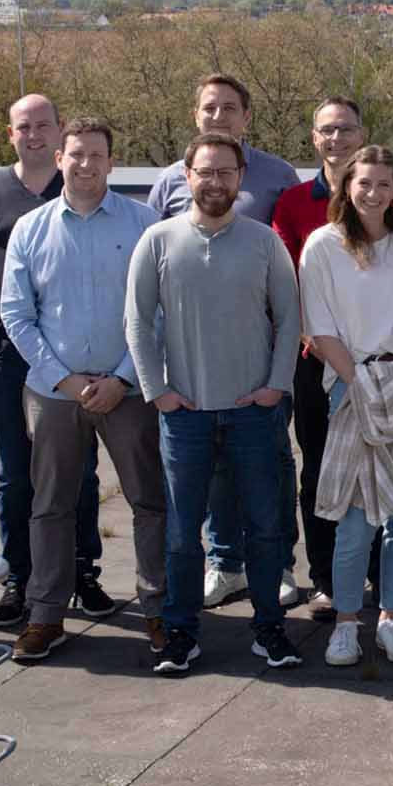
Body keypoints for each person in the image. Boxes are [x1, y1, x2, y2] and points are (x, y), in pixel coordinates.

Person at [126, 133, 302, 675]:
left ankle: (269, 625)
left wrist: (276, 386)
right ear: (187, 174)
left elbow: (289, 317)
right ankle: (181, 633)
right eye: (206, 171)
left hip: (254, 409)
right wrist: (157, 391)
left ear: (241, 176)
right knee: (183, 534)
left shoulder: (263, 241)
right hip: (186, 415)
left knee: (267, 525)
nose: (216, 181)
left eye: (227, 171)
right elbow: (136, 320)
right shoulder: (157, 239)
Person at [1, 119, 168, 662]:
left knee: (149, 501)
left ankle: (159, 609)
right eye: (76, 154)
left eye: (97, 155)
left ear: (112, 162)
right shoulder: (31, 228)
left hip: (128, 390)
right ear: (59, 157)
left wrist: (122, 378)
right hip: (55, 392)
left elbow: (158, 310)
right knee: (50, 505)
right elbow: (16, 314)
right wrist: (66, 381)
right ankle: (46, 614)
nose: (86, 164)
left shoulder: (146, 224)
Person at [0, 94, 109, 631]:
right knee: (17, 473)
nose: (35, 134)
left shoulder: (87, 191)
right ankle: (20, 576)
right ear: (10, 133)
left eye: (45, 125)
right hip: (10, 358)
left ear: (62, 135)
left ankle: (83, 571)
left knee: (80, 471)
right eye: (24, 126)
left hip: (77, 359)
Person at [299, 145, 393, 667]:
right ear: (347, 187)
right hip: (349, 385)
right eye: (364, 183)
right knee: (357, 519)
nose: (373, 193)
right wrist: (359, 384)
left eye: (384, 184)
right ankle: (347, 622)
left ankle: (391, 618)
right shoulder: (323, 246)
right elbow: (318, 325)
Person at [271, 96, 368, 621]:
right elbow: (288, 283)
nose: (337, 140)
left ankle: (374, 571)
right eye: (327, 131)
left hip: (375, 357)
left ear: (361, 133)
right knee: (321, 469)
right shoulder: (290, 202)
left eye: (346, 129)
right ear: (314, 137)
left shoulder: (380, 195)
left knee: (373, 464)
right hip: (313, 358)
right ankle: (326, 578)